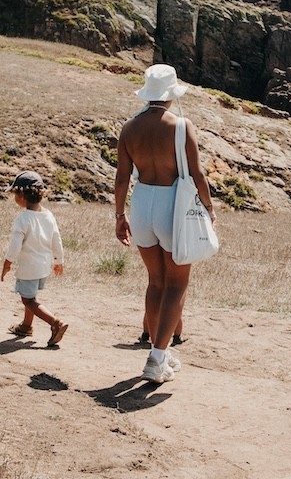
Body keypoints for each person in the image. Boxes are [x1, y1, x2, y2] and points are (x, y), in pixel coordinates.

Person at [115, 64, 215, 383]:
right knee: (177, 284)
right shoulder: (181, 126)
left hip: (142, 202)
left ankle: (163, 350)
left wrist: (120, 215)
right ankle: (156, 358)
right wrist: (210, 210)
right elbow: (197, 175)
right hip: (173, 203)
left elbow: (120, 178)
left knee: (155, 281)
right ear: (171, 94)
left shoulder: (129, 128)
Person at [1, 170, 69, 347]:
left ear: (22, 195)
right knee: (31, 295)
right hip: (44, 267)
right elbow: (57, 238)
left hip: (29, 267)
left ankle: (56, 323)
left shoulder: (23, 218)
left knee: (28, 300)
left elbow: (15, 245)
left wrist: (8, 263)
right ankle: (26, 326)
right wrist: (59, 260)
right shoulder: (48, 215)